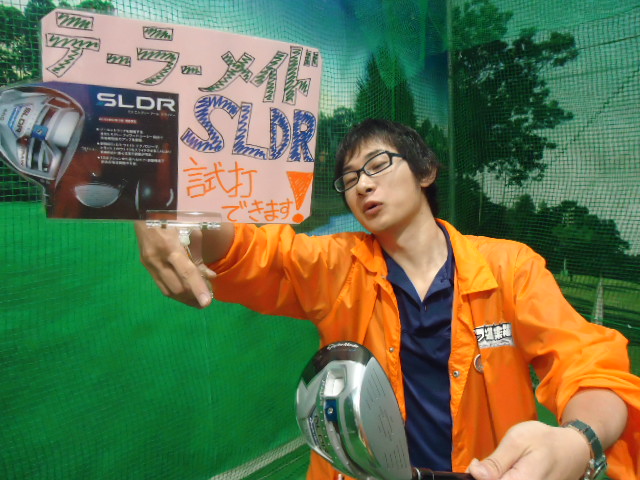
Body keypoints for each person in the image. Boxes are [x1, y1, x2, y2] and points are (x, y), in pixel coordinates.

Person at [135, 119, 640, 480]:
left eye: (377, 164)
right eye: (349, 179)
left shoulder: (510, 267)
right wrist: (170, 210)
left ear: (426, 172)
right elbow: (254, 250)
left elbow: (590, 366)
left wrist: (580, 439)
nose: (362, 185)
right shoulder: (336, 264)